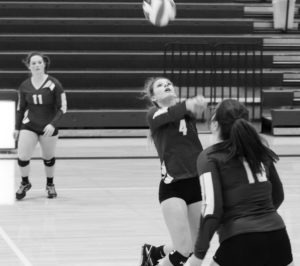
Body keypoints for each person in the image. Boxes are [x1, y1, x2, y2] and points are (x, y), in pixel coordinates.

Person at [185, 99, 294, 266]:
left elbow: (212, 209)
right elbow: (278, 195)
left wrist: (197, 256)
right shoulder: (260, 150)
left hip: (240, 240)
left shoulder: (209, 157)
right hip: (278, 237)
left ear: (214, 125)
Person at [140, 77, 207, 266]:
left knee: (194, 248)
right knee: (184, 251)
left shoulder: (186, 114)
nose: (166, 86)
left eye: (169, 83)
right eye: (160, 85)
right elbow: (170, 114)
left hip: (195, 183)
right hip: (173, 187)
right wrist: (190, 104)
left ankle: (155, 252)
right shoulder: (153, 114)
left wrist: (198, 106)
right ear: (154, 96)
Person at [14, 51, 67, 200]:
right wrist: (17, 128)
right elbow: (21, 108)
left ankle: (50, 185)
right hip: (29, 125)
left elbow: (62, 107)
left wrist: (52, 124)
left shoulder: (54, 83)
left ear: (44, 65)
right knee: (22, 157)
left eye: (39, 62)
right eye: (33, 63)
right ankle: (25, 183)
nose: (37, 65)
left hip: (48, 127)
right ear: (29, 66)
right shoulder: (24, 86)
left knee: (48, 157)